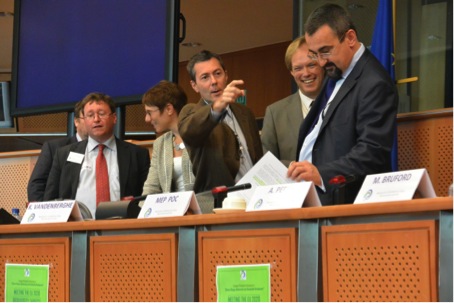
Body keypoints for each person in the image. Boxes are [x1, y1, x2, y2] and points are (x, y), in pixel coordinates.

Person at [287, 3, 398, 205]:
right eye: (315, 54)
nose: (320, 62)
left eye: (325, 51)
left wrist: (321, 173)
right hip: (314, 198)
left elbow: (372, 152)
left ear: (350, 38)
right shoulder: (336, 73)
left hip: (346, 202)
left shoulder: (374, 83)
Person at [43, 92, 150, 217]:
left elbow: (146, 199)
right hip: (76, 230)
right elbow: (50, 200)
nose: (96, 119)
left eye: (101, 114)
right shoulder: (64, 154)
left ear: (114, 118)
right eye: (90, 115)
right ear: (84, 120)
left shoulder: (137, 154)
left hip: (122, 229)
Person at [179, 50, 263, 193]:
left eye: (217, 73)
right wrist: (216, 108)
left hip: (255, 196)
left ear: (226, 75)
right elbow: (190, 131)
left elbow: (258, 157)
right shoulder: (191, 113)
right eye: (205, 77)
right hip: (219, 203)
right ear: (194, 85)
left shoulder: (245, 113)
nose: (214, 81)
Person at [261, 36, 324, 166]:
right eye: (298, 68)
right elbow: (266, 162)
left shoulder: (342, 102)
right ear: (291, 72)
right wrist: (294, 167)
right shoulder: (275, 113)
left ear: (322, 64)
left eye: (311, 65)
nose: (306, 73)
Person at [27, 101, 88, 202]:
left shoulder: (105, 149)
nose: (94, 121)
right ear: (76, 121)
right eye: (88, 117)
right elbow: (36, 185)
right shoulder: (54, 147)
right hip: (62, 213)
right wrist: (43, 213)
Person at [141, 80, 195, 195]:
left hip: (204, 210)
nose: (147, 119)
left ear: (169, 109)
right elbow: (151, 187)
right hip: (171, 211)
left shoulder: (199, 133)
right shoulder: (160, 143)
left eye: (149, 112)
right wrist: (143, 211)